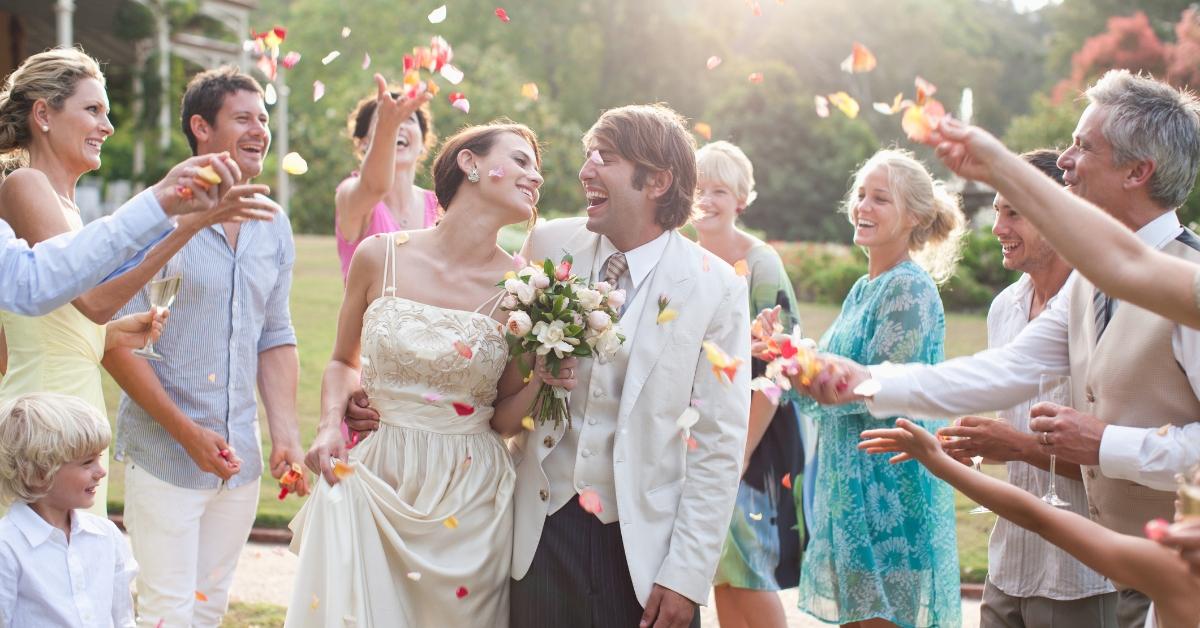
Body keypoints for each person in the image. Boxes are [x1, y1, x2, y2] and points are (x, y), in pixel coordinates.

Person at [802, 69, 1200, 628]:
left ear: (1138, 171)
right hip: (1131, 568)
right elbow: (1007, 368)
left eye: (1083, 146)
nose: (1064, 160)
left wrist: (1108, 444)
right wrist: (864, 381)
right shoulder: (1089, 281)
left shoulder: (1190, 281)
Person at [288, 120, 552, 627]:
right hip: (378, 479)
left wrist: (543, 377)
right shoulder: (379, 256)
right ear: (469, 163)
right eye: (520, 160)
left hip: (468, 500)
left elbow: (503, 419)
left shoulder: (523, 290)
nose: (535, 176)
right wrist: (328, 426)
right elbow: (345, 360)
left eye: (536, 168)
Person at [505, 104, 749, 628]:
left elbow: (718, 444)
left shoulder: (717, 287)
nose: (584, 170)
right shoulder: (549, 245)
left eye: (605, 157)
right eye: (587, 154)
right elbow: (501, 368)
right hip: (542, 536)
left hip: (644, 551)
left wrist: (685, 574)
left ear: (657, 181)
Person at [0, 47, 268, 517]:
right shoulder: (26, 186)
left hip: (75, 402)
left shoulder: (67, 204)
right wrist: (186, 220)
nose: (107, 127)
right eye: (93, 110)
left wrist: (113, 334)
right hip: (44, 414)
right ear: (43, 114)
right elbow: (93, 301)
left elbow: (72, 317)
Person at [101, 66, 306, 628]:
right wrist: (186, 433)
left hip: (239, 462)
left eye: (263, 118)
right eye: (243, 118)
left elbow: (276, 335)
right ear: (201, 127)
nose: (260, 130)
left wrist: (285, 433)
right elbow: (115, 343)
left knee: (208, 608)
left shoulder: (273, 222)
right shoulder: (153, 217)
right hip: (167, 456)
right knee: (165, 613)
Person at [760, 148, 964, 627]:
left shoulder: (909, 288)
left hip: (888, 492)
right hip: (847, 487)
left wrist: (798, 361)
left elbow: (869, 391)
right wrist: (782, 350)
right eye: (860, 195)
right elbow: (826, 381)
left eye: (880, 199)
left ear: (913, 216)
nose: (863, 207)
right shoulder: (862, 287)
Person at [939, 149, 1116, 627]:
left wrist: (1014, 446)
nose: (997, 227)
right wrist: (982, 443)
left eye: (1013, 212)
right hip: (1009, 567)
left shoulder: (1102, 311)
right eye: (996, 211)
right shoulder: (1005, 307)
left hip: (1083, 576)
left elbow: (1116, 460)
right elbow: (1017, 428)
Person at [859, 419, 1200, 628]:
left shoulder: (1171, 574)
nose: (1177, 493)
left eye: (1190, 492)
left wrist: (934, 459)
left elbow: (1039, 519)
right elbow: (1038, 518)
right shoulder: (1168, 569)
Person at [692, 140, 807, 628]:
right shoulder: (685, 258)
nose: (707, 200)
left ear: (741, 200)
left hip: (754, 438)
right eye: (698, 188)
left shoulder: (760, 264)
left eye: (719, 190)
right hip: (699, 429)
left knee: (748, 568)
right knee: (718, 571)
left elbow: (783, 365)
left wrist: (740, 451)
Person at [0, 393, 138, 628]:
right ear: (38, 473)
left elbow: (122, 619)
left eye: (99, 458)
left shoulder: (106, 536)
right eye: (87, 462)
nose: (101, 471)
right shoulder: (7, 547)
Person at [334, 74, 440, 278]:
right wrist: (387, 127)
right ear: (363, 143)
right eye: (385, 119)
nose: (398, 125)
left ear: (424, 143)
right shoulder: (350, 194)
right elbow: (374, 187)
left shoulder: (440, 205)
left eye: (407, 119)